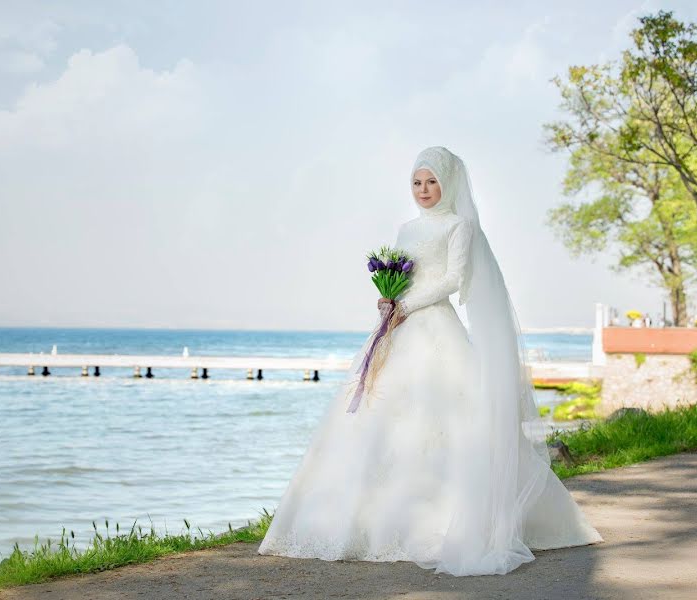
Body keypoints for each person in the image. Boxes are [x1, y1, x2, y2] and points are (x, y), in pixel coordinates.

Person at [257, 146, 603, 576]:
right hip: (399, 327)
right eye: (417, 182)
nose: (424, 189)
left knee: (450, 417)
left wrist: (410, 305)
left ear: (449, 183)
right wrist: (389, 299)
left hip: (436, 326)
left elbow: (455, 279)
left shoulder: (459, 226)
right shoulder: (405, 228)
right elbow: (405, 275)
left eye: (432, 181)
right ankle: (362, 521)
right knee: (375, 417)